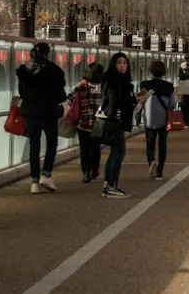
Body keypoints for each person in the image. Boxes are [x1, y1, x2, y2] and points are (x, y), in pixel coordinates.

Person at [16, 42, 66, 194]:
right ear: (47, 54)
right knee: (51, 143)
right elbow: (60, 95)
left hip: (31, 112)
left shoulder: (25, 70)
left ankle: (34, 182)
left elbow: (22, 93)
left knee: (34, 145)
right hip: (48, 112)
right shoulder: (54, 71)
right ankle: (46, 175)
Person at [99, 52, 136, 198]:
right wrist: (133, 101)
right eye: (119, 62)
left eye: (124, 63)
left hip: (113, 120)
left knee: (114, 152)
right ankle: (111, 186)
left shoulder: (112, 79)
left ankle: (108, 184)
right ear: (113, 64)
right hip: (116, 120)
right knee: (119, 152)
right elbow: (116, 100)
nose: (122, 65)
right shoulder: (116, 81)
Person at [139, 59, 177, 181]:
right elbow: (172, 104)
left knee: (150, 143)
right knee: (162, 145)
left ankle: (151, 162)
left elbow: (140, 102)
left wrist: (137, 116)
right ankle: (159, 171)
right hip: (164, 119)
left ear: (150, 71)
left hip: (149, 118)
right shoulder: (169, 86)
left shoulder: (144, 85)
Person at [73, 62, 104, 183]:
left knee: (84, 148)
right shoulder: (103, 87)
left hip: (83, 122)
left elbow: (71, 98)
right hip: (99, 123)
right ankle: (94, 170)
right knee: (95, 147)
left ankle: (86, 172)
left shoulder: (82, 85)